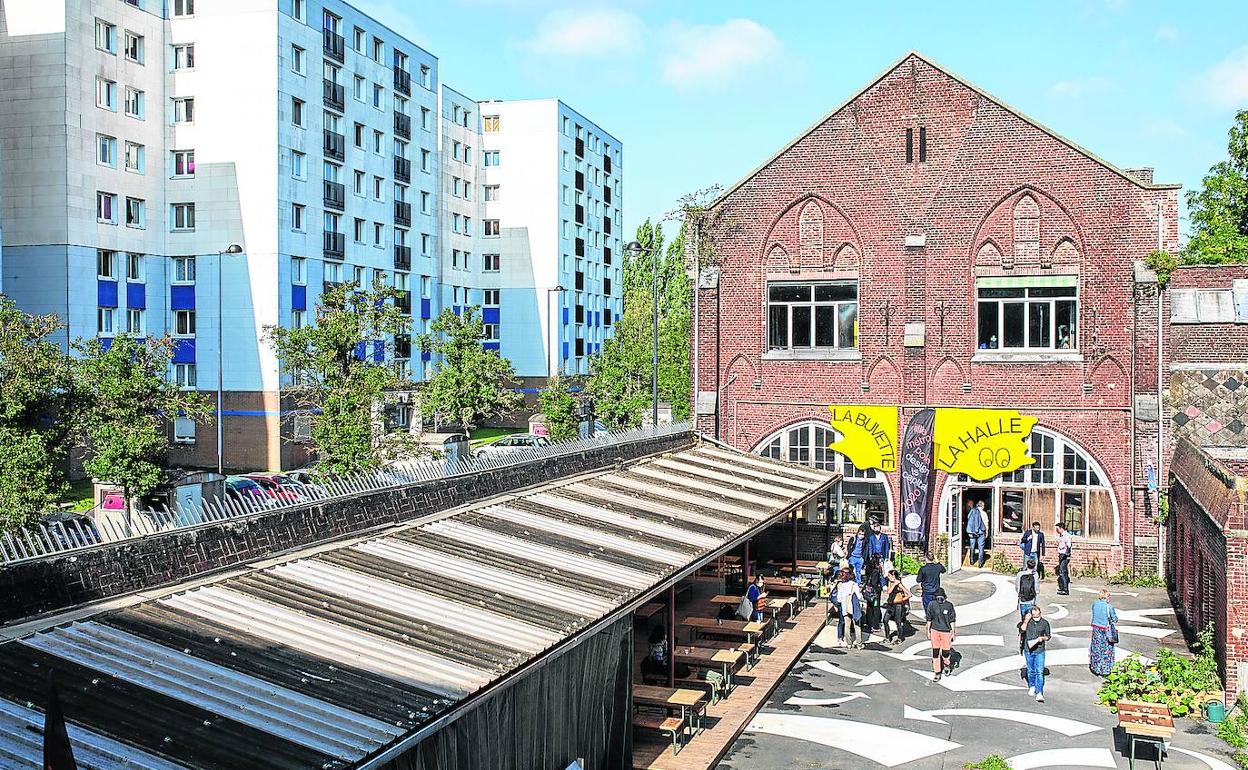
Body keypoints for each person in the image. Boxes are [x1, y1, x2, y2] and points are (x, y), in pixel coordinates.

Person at [925, 587, 957, 681]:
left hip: (946, 632)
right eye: (938, 597)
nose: (939, 599)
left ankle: (946, 663)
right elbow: (929, 619)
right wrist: (928, 631)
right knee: (935, 652)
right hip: (935, 630)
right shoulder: (932, 605)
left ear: (945, 597)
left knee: (945, 651)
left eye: (941, 597)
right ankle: (937, 672)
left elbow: (952, 619)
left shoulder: (949, 605)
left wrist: (953, 632)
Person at [1022, 605, 1052, 702]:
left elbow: (1048, 636)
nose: (1036, 617)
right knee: (1030, 670)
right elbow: (1022, 629)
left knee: (1039, 671)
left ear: (1040, 613)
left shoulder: (1044, 623)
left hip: (1039, 650)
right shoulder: (1029, 622)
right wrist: (1026, 620)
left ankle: (1039, 692)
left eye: (1037, 615)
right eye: (1034, 616)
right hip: (1028, 650)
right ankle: (1032, 686)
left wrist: (1042, 638)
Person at [1089, 588, 1119, 677]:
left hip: (1096, 628)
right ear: (1107, 597)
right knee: (1106, 649)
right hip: (1105, 629)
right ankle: (1105, 669)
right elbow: (1114, 619)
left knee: (1096, 648)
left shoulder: (1095, 604)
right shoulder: (1109, 606)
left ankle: (1096, 667)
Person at [835, 567, 864, 648]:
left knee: (847, 626)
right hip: (854, 608)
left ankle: (849, 643)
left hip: (845, 607)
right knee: (857, 626)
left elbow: (839, 599)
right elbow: (859, 596)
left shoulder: (842, 585)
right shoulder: (854, 585)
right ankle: (859, 644)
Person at [883, 569, 912, 644]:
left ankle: (900, 638)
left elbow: (909, 594)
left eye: (889, 576)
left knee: (898, 621)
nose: (888, 577)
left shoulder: (899, 584)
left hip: (898, 605)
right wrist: (893, 584)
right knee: (885, 620)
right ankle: (887, 637)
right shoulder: (890, 582)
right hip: (890, 604)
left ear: (893, 576)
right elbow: (888, 591)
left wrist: (902, 600)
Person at [966, 500, 987, 568]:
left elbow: (968, 517)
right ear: (982, 506)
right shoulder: (983, 513)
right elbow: (986, 523)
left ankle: (971, 560)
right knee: (981, 547)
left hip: (971, 532)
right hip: (980, 531)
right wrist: (986, 532)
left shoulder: (972, 511)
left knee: (972, 546)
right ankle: (980, 562)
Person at [1054, 522, 1073, 595]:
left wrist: (1066, 553)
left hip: (1064, 555)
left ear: (1061, 528)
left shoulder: (1066, 535)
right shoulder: (1061, 536)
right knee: (1063, 571)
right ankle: (1062, 588)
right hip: (1062, 554)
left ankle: (1065, 589)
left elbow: (1069, 545)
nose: (1057, 530)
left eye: (1058, 529)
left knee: (1062, 572)